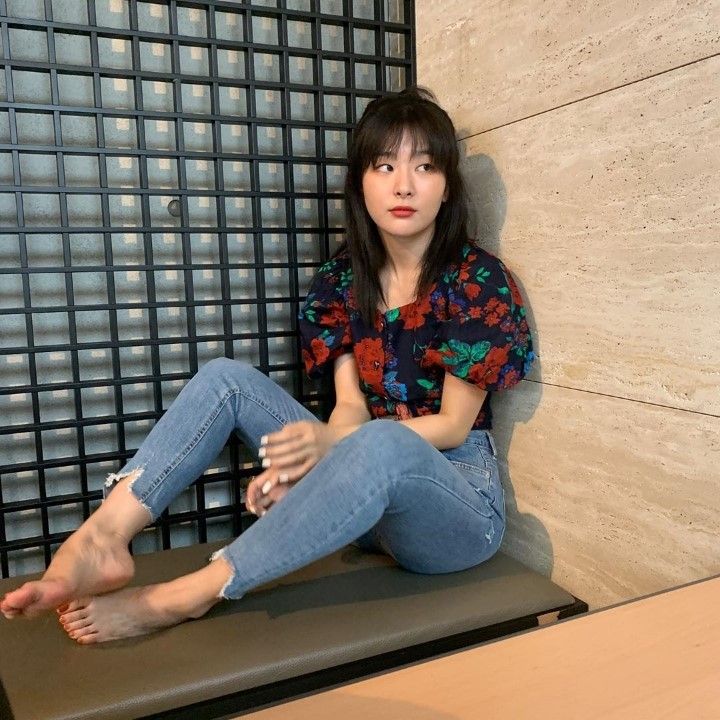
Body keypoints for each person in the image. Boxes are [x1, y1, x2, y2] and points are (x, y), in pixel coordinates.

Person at [0, 88, 533, 643]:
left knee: (384, 440)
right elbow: (350, 408)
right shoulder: (343, 280)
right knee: (226, 380)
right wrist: (310, 469)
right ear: (360, 183)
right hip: (366, 498)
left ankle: (186, 596)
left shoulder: (476, 280)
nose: (404, 185)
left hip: (456, 508)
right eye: (385, 166)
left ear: (447, 186)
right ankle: (104, 537)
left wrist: (330, 451)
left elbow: (451, 427)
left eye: (424, 166)